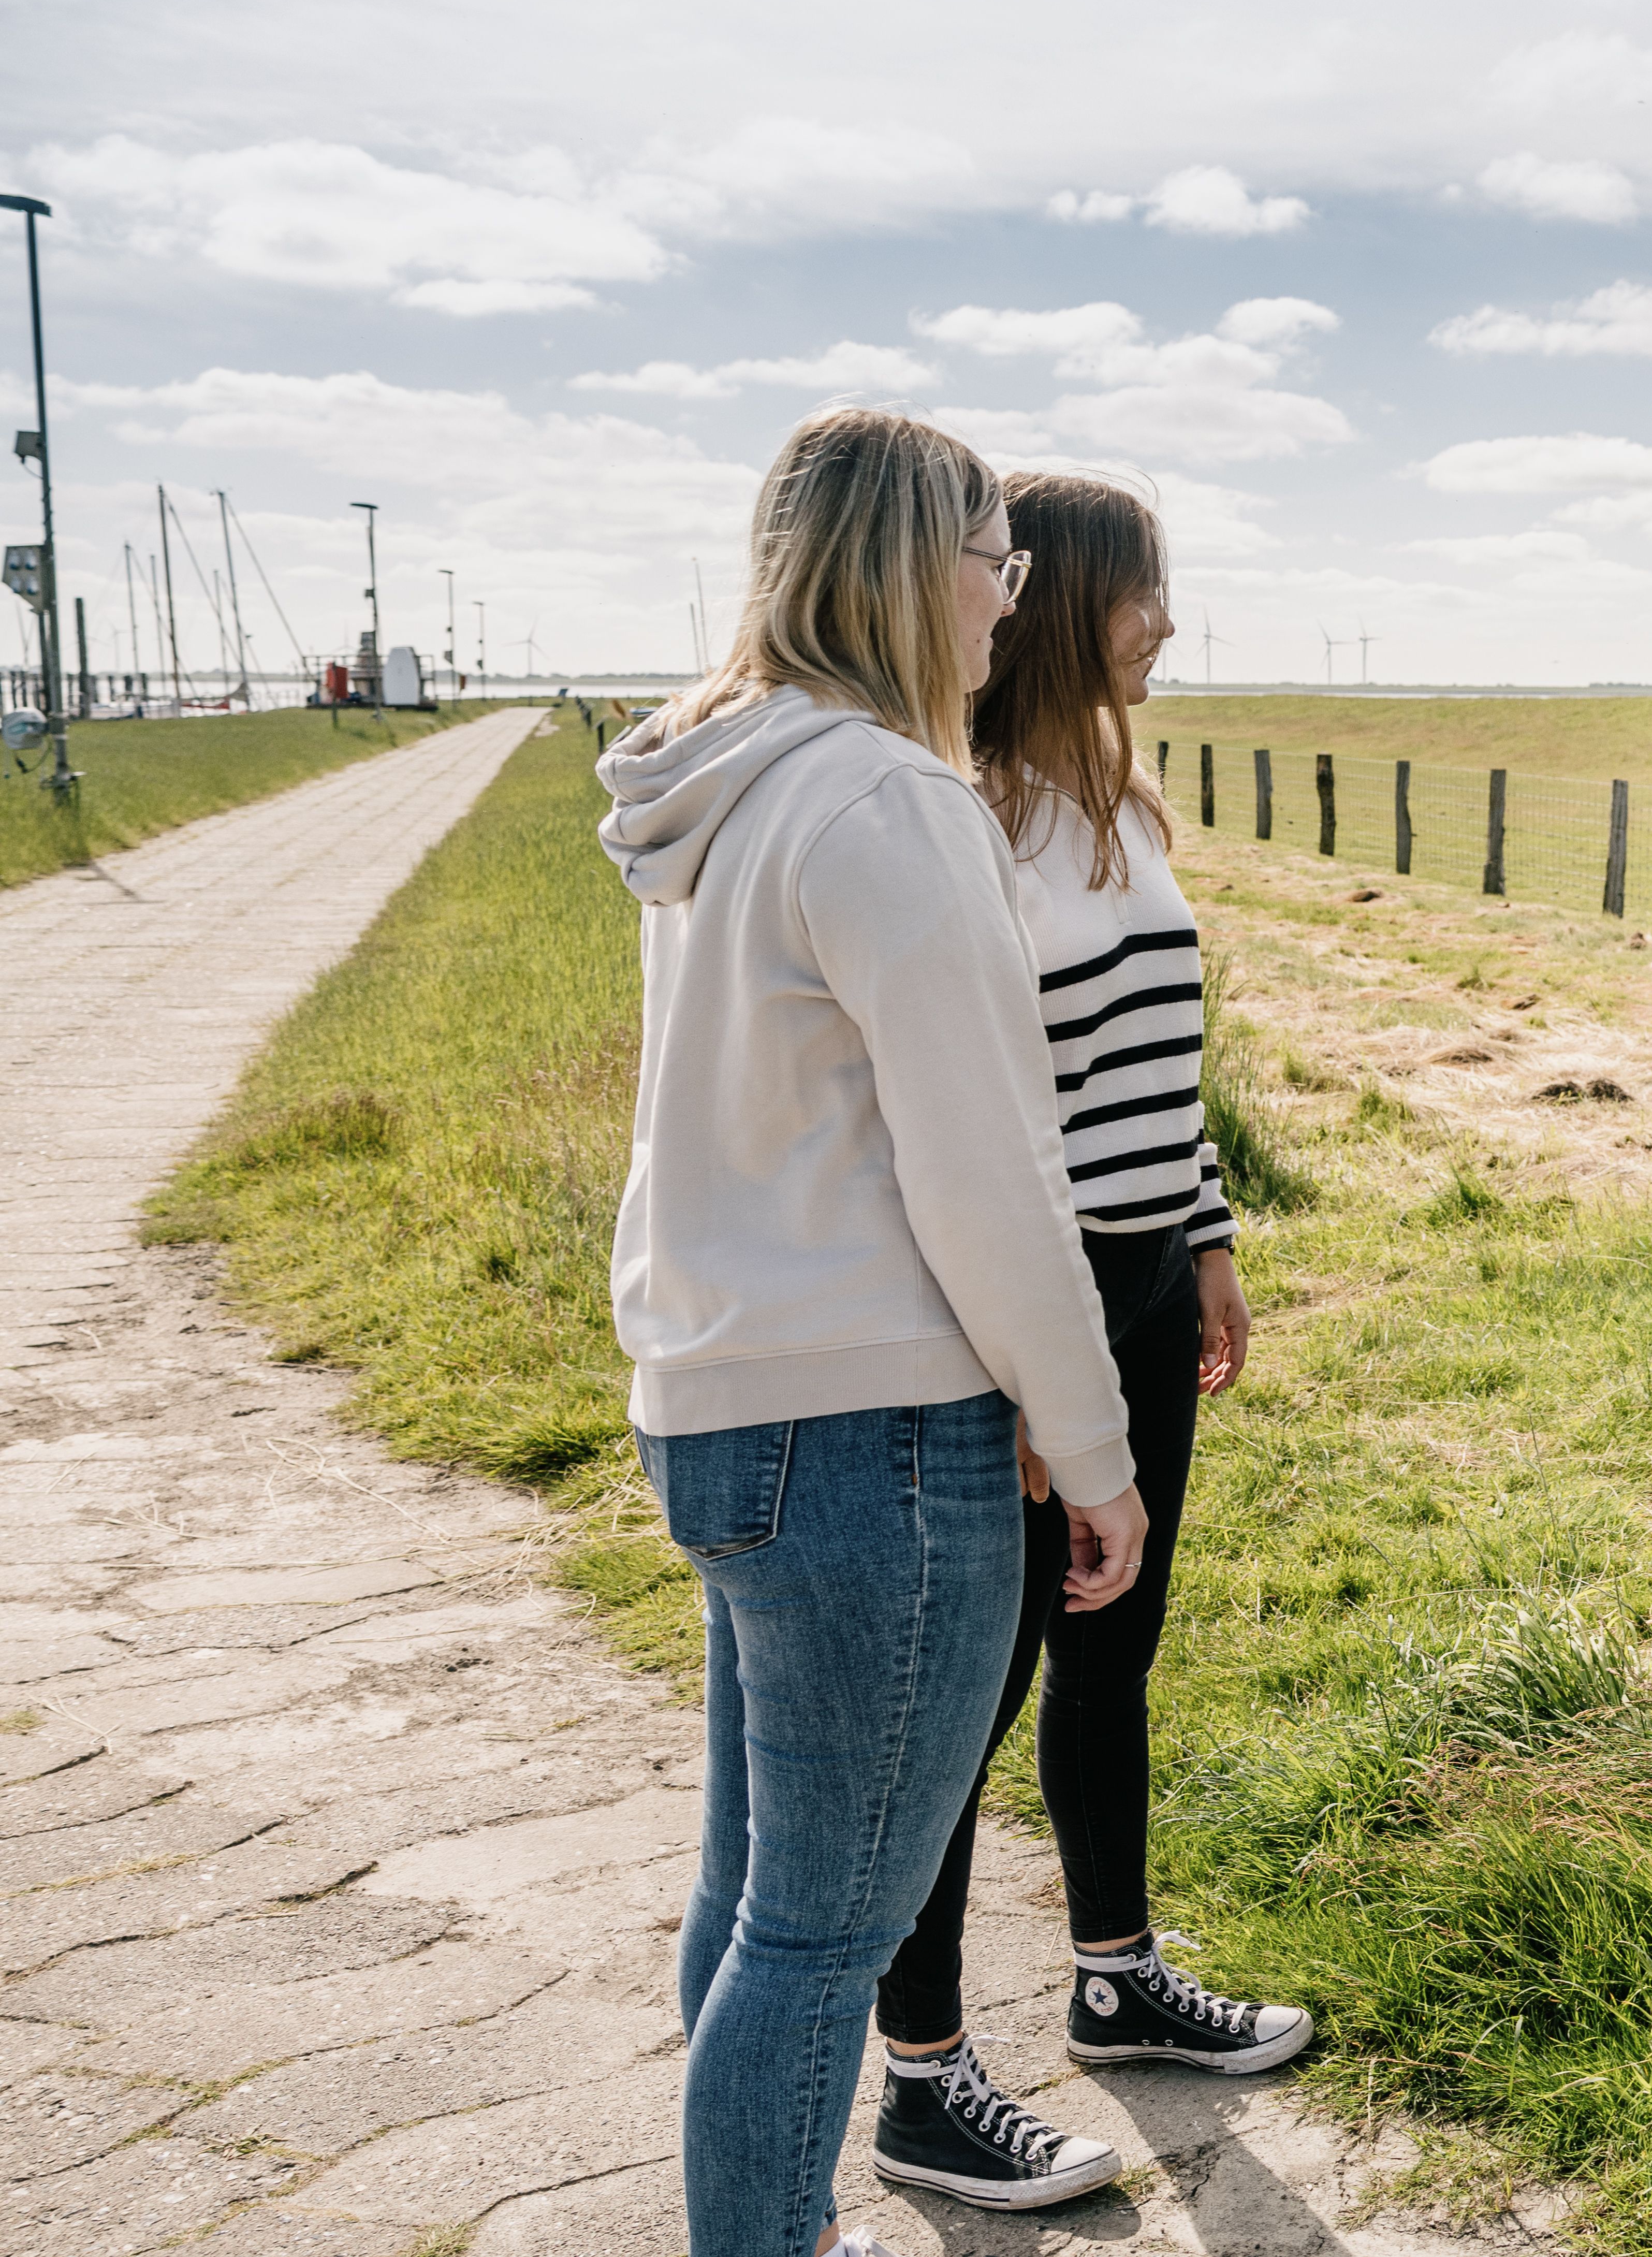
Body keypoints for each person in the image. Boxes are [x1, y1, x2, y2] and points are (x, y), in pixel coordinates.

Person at [601, 409, 1147, 2257]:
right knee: (825, 1933)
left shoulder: (721, 784)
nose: (1008, 601)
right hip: (874, 1433)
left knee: (755, 1897)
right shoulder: (889, 803)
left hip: (722, 1402)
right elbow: (991, 1176)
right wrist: (1093, 1447)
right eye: (996, 561)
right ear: (920, 569)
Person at [860, 471, 1307, 2213]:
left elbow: (1154, 1075)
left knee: (1115, 1648)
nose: (1165, 623)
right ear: (1053, 605)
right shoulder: (966, 826)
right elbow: (989, 1132)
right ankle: (923, 2075)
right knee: (971, 1698)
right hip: (1018, 1307)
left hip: (1139, 1283)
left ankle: (1117, 1978)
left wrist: (1204, 1237)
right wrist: (1029, 1378)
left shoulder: (1124, 805)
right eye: (1139, 592)